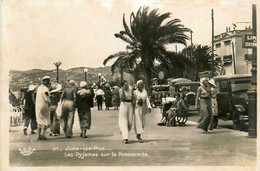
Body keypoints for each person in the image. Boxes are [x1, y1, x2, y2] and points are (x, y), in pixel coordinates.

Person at [35, 76, 51, 140]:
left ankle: (38, 136)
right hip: (43, 105)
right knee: (46, 120)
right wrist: (50, 102)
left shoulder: (39, 88)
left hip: (38, 106)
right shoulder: (45, 89)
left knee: (39, 120)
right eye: (47, 81)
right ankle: (42, 134)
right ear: (45, 81)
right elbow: (46, 98)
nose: (48, 82)